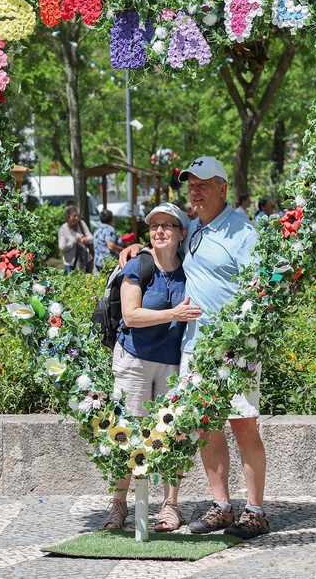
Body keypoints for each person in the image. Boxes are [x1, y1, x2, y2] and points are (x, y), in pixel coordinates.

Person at [121, 156, 268, 539]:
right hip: (195, 348)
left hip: (236, 349)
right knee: (204, 428)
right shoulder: (194, 230)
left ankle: (255, 511)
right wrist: (138, 246)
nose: (196, 191)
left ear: (223, 187)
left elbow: (262, 286)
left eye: (204, 184)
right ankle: (221, 505)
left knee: (244, 427)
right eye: (191, 185)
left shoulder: (242, 232)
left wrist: (241, 337)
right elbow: (163, 240)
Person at [101, 202, 201, 533]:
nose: (159, 231)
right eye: (154, 226)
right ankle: (119, 504)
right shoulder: (139, 267)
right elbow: (131, 316)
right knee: (126, 433)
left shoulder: (191, 268)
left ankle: (170, 506)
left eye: (167, 226)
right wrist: (173, 314)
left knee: (171, 434)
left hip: (172, 361)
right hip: (134, 359)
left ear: (181, 234)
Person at [58, 205, 94, 273]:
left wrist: (85, 240)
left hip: (86, 259)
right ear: (68, 217)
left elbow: (91, 238)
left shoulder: (81, 224)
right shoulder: (62, 229)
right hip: (70, 263)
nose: (77, 218)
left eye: (77, 215)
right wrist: (75, 240)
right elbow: (62, 247)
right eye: (74, 216)